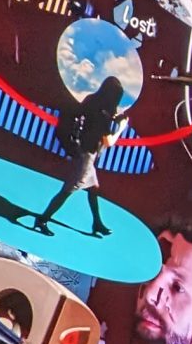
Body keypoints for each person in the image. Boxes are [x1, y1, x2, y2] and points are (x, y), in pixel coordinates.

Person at [32, 76, 125, 236]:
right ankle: (42, 219)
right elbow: (108, 141)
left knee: (93, 189)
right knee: (69, 189)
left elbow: (89, 117)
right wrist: (122, 127)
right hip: (87, 156)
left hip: (82, 149)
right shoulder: (103, 114)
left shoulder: (92, 100)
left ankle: (97, 223)